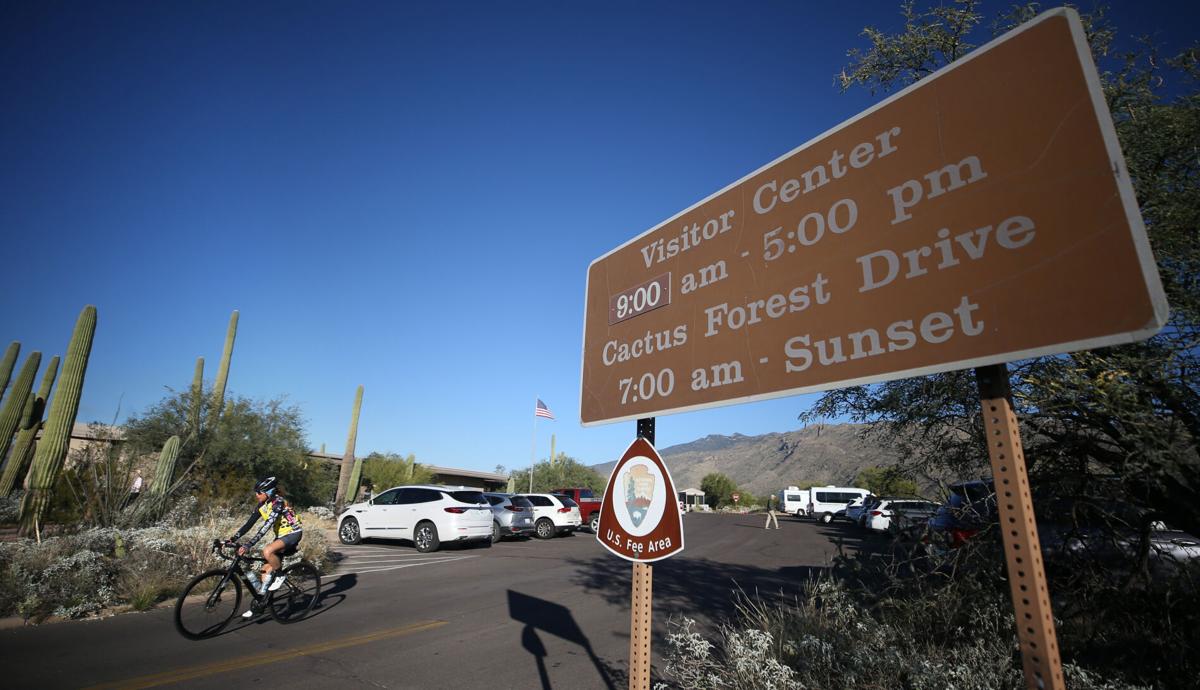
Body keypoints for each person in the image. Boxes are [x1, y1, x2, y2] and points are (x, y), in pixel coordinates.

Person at [230, 476, 303, 617]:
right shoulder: (262, 505)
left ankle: (280, 575)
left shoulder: (279, 503)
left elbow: (266, 526)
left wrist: (249, 544)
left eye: (259, 492)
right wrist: (232, 538)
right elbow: (249, 524)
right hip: (281, 536)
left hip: (293, 533)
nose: (256, 495)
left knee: (267, 551)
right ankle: (261, 603)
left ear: (268, 492)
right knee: (264, 572)